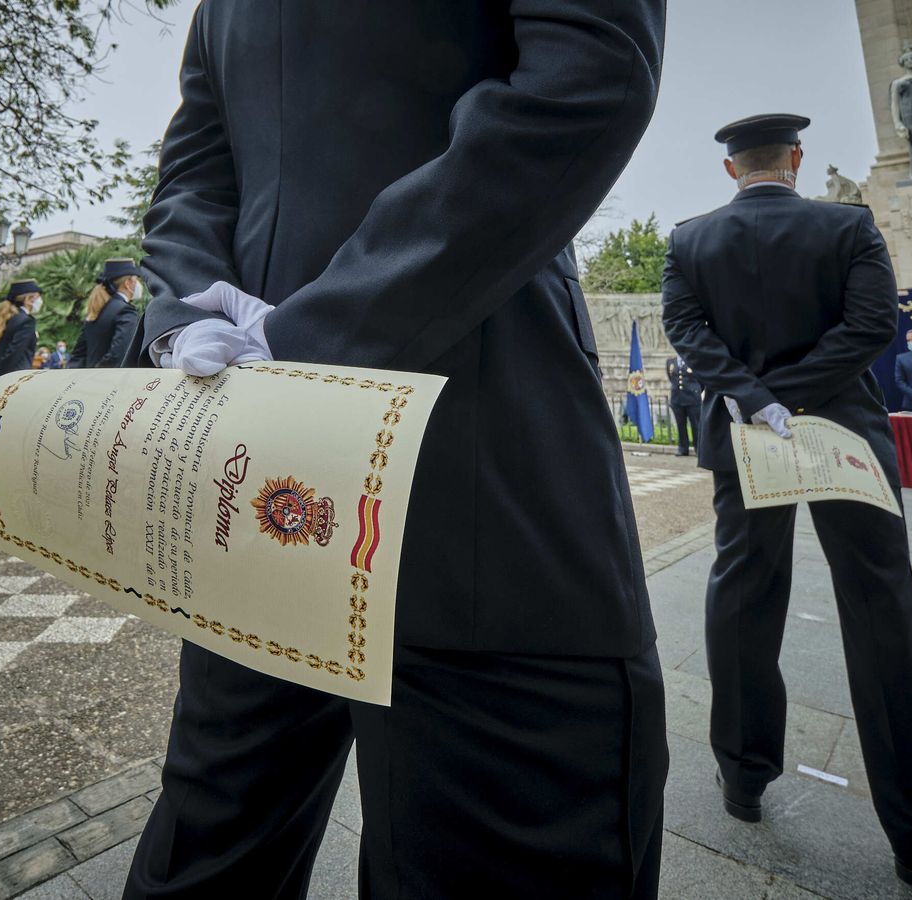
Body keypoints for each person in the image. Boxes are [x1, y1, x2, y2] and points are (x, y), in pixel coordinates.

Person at [126, 4, 667, 896]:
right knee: (210, 847)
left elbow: (590, 78)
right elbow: (193, 175)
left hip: (477, 461)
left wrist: (312, 337)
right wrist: (184, 314)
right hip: (257, 462)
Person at [661, 113, 912, 892]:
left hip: (744, 436)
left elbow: (684, 328)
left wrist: (755, 398)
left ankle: (742, 777)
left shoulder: (690, 239)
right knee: (879, 604)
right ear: (796, 160)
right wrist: (795, 397)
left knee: (743, 591)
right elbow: (872, 326)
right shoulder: (849, 226)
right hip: (842, 432)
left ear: (732, 169)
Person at [70, 258, 141, 369]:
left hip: (89, 381)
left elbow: (78, 354)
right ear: (127, 283)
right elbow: (119, 353)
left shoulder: (97, 310)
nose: (138, 285)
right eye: (136, 280)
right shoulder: (125, 311)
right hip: (110, 381)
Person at [0, 280, 39, 384]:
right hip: (16, 378)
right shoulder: (27, 321)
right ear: (28, 299)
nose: (39, 301)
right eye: (37, 297)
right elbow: (14, 352)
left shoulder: (9, 318)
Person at [666, 354, 702, 456]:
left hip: (692, 398)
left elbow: (700, 378)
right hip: (677, 398)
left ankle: (698, 448)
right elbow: (670, 377)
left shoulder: (693, 359)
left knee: (696, 425)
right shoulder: (671, 361)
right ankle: (683, 448)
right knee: (680, 425)